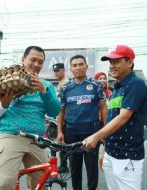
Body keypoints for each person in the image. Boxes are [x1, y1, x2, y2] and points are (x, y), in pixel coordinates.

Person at [0, 46, 61, 190]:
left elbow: (54, 111)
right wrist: (5, 103)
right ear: (23, 59)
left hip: (37, 140)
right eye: (33, 60)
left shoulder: (46, 86)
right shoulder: (6, 80)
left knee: (41, 185)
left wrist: (43, 91)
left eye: (40, 62)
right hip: (10, 135)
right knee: (5, 184)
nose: (36, 65)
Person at [84, 45, 147, 190]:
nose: (112, 66)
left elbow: (124, 117)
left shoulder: (136, 84)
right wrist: (104, 151)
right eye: (110, 62)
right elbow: (111, 119)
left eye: (116, 61)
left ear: (130, 62)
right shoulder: (117, 89)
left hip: (127, 156)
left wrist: (95, 137)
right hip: (111, 153)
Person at [56, 55, 107, 190]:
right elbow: (61, 111)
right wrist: (60, 132)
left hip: (92, 133)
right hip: (71, 134)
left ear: (86, 66)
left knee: (91, 168)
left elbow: (103, 108)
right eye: (75, 65)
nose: (78, 67)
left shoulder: (96, 85)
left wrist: (105, 130)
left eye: (80, 64)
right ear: (71, 69)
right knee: (75, 169)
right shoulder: (65, 88)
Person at [52, 63, 69, 174]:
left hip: (65, 118)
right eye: (55, 71)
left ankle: (63, 165)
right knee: (57, 143)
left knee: (59, 143)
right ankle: (62, 165)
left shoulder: (66, 84)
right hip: (58, 118)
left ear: (63, 70)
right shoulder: (59, 84)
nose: (56, 73)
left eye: (58, 70)